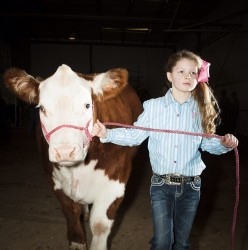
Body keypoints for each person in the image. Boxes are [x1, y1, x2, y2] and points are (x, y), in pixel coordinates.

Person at [91, 50, 238, 250]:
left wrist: (224, 144)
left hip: (191, 187)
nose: (188, 76)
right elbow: (135, 136)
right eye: (181, 72)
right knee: (161, 242)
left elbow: (207, 143)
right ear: (169, 76)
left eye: (193, 73)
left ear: (198, 77)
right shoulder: (153, 107)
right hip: (162, 186)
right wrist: (107, 134)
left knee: (182, 243)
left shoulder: (200, 110)